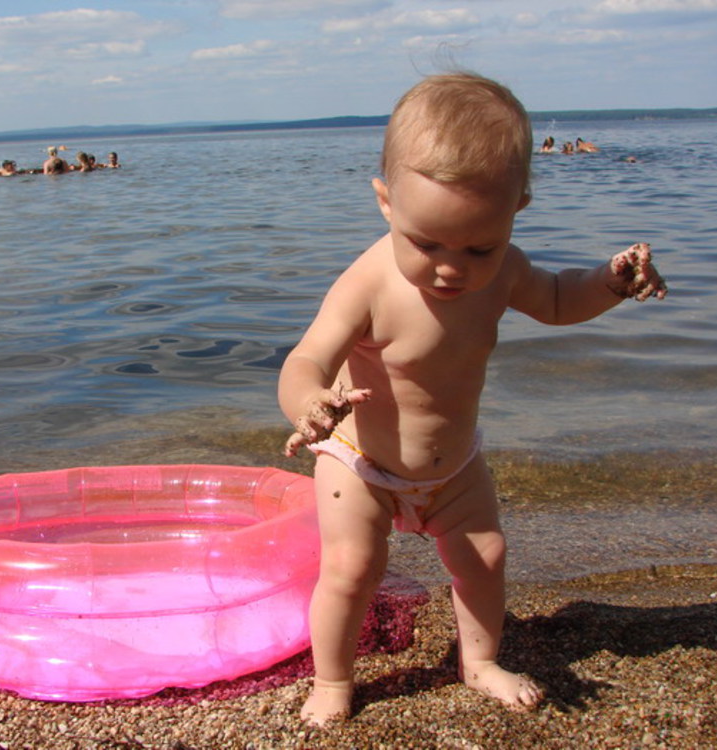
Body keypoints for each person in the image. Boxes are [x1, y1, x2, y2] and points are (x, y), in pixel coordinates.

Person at [277, 71, 667, 727]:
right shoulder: (368, 281)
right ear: (386, 203)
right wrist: (309, 403)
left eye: (478, 246)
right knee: (350, 567)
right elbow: (306, 358)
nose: (451, 268)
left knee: (485, 556)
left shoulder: (505, 270)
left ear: (517, 208)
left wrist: (609, 282)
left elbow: (558, 299)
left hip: (454, 468)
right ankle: (334, 680)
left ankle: (479, 662)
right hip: (359, 464)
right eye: (425, 244)